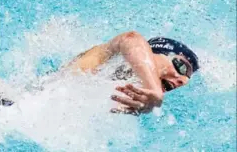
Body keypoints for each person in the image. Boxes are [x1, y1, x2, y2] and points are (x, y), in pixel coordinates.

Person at [64, 31, 200, 115]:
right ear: (154, 52)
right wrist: (153, 88)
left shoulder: (133, 96)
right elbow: (130, 38)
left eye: (187, 77)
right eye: (182, 67)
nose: (183, 80)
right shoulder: (111, 56)